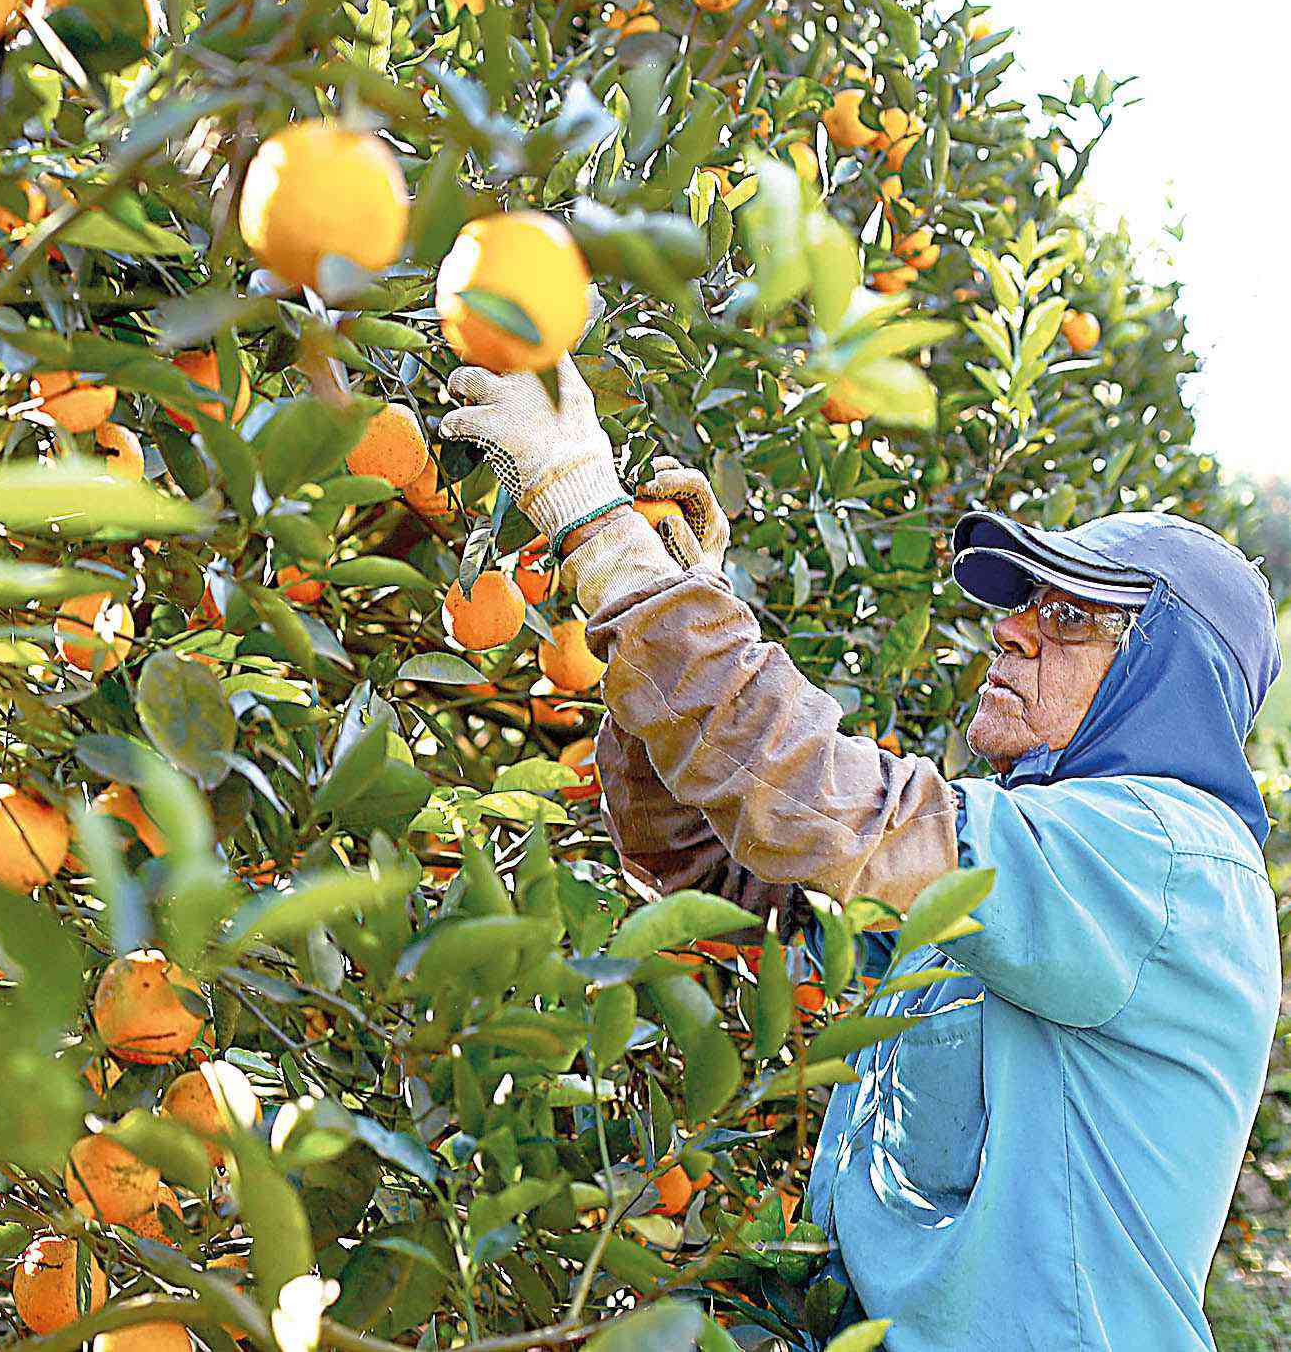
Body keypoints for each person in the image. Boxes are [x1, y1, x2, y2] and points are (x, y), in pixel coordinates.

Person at [441, 357, 1282, 1350]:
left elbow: (822, 802)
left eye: (1069, 618)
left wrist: (594, 518)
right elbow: (715, 873)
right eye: (1020, 605)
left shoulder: (1161, 859)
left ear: (1163, 672)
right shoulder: (1016, 883)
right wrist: (677, 598)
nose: (1009, 632)